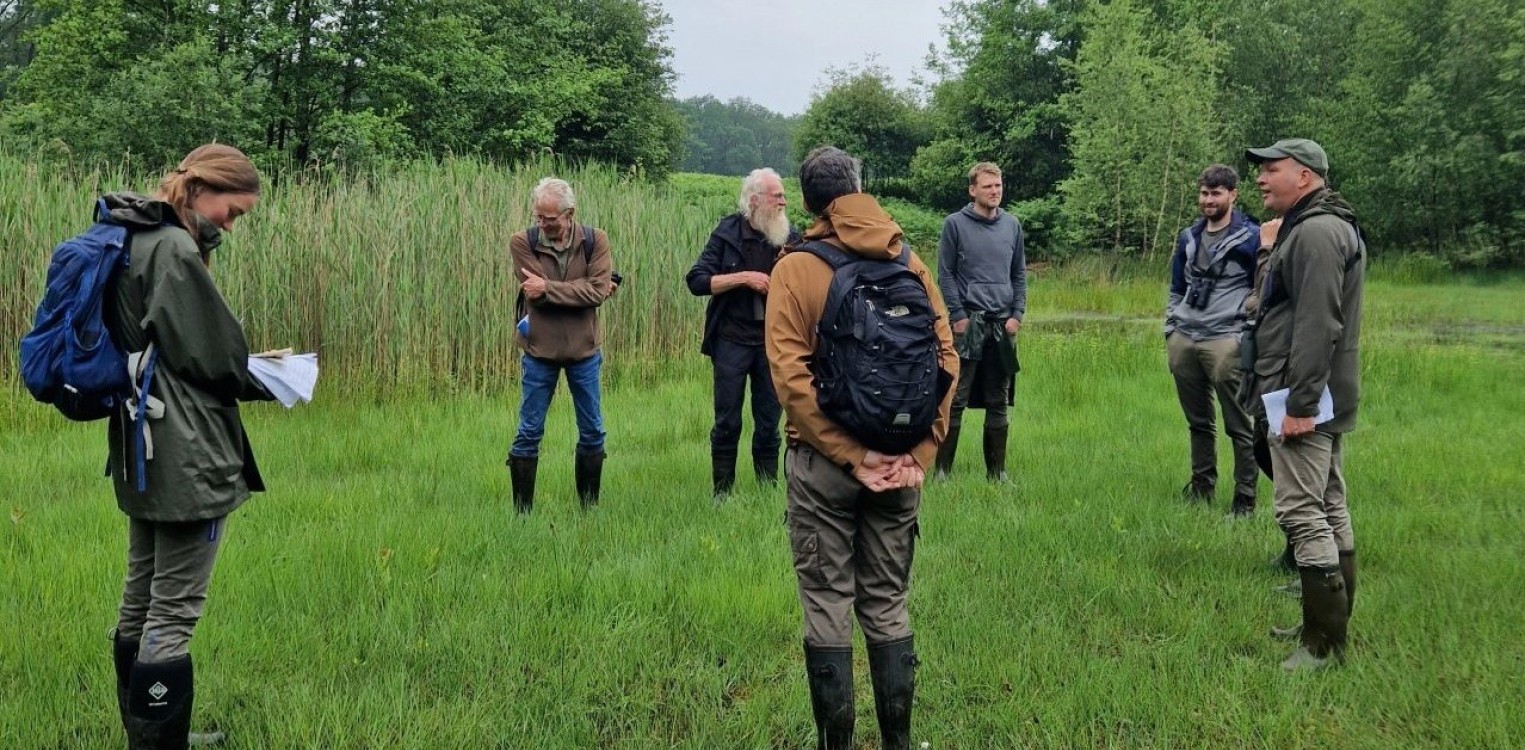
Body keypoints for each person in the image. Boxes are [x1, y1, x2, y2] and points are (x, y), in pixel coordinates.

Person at [765, 146, 958, 750]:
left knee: (827, 602)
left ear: (808, 202)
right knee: (888, 601)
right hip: (901, 465)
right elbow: (947, 358)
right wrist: (918, 455)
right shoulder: (909, 257)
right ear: (860, 189)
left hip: (824, 467)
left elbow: (789, 378)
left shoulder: (795, 267)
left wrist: (853, 457)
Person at [102, 144, 273, 748]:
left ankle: (143, 734)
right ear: (202, 188)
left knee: (141, 591)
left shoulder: (132, 232)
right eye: (234, 211)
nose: (232, 224)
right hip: (185, 446)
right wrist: (273, 378)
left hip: (138, 439)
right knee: (172, 611)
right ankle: (161, 742)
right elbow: (214, 355)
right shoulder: (173, 246)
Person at [1242, 138, 1365, 671]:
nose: (1262, 178)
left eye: (1273, 169)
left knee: (1299, 510)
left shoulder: (1316, 233)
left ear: (1306, 176)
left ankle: (1323, 646)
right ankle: (1324, 626)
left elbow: (1319, 324)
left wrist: (1300, 403)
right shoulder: (1317, 226)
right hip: (1312, 389)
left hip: (1302, 392)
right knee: (1330, 500)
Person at [686, 168, 799, 498]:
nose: (783, 201)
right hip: (731, 340)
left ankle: (767, 493)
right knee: (727, 421)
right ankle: (722, 494)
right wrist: (744, 278)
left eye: (783, 195)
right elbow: (696, 281)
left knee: (768, 422)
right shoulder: (727, 232)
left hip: (773, 342)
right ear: (755, 200)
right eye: (776, 196)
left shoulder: (791, 236)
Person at [506, 177, 615, 513]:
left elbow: (597, 291)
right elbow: (534, 293)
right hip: (539, 350)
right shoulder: (522, 242)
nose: (542, 224)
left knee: (593, 430)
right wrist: (582, 290)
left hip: (584, 350)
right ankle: (522, 515)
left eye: (550, 219)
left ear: (570, 213)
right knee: (528, 431)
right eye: (539, 217)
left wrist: (552, 289)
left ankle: (588, 510)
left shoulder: (595, 240)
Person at [1164, 165, 1260, 515]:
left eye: (1216, 193)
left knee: (1239, 424)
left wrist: (1242, 332)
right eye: (1204, 193)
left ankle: (1245, 498)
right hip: (1186, 336)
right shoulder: (1189, 236)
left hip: (1226, 339)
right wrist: (1171, 327)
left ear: (1233, 195)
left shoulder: (1252, 237)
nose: (1209, 200)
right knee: (1198, 422)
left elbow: (1261, 288)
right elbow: (1176, 286)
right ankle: (1202, 487)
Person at [933, 162, 1026, 481]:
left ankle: (997, 473)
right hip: (968, 323)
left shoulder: (1012, 225)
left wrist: (1017, 314)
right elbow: (945, 273)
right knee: (956, 397)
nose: (995, 191)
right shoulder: (954, 224)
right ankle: (942, 472)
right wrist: (957, 316)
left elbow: (1019, 274)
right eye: (988, 186)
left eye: (998, 185)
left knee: (998, 398)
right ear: (973, 190)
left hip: (1003, 325)